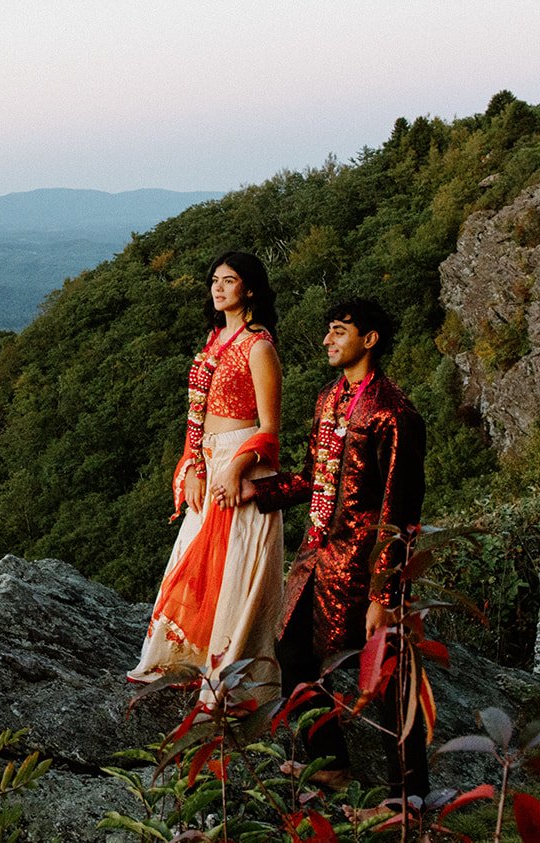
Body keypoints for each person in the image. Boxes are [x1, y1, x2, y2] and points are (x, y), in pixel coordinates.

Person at [242, 296, 429, 796]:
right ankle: (330, 764)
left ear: (369, 340)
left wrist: (385, 596)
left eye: (338, 331)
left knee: (386, 676)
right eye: (329, 329)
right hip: (316, 559)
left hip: (365, 567)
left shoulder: (393, 414)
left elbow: (400, 514)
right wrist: (258, 491)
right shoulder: (329, 398)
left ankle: (406, 796)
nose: (327, 339)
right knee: (293, 653)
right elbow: (313, 479)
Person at [127, 251, 284, 699]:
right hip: (210, 459)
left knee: (236, 568)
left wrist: (237, 468)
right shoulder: (215, 339)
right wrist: (194, 466)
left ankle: (231, 677)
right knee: (194, 558)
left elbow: (270, 428)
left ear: (249, 289)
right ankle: (189, 658)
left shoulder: (259, 347)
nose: (218, 288)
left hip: (243, 460)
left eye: (229, 281)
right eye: (214, 280)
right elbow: (195, 418)